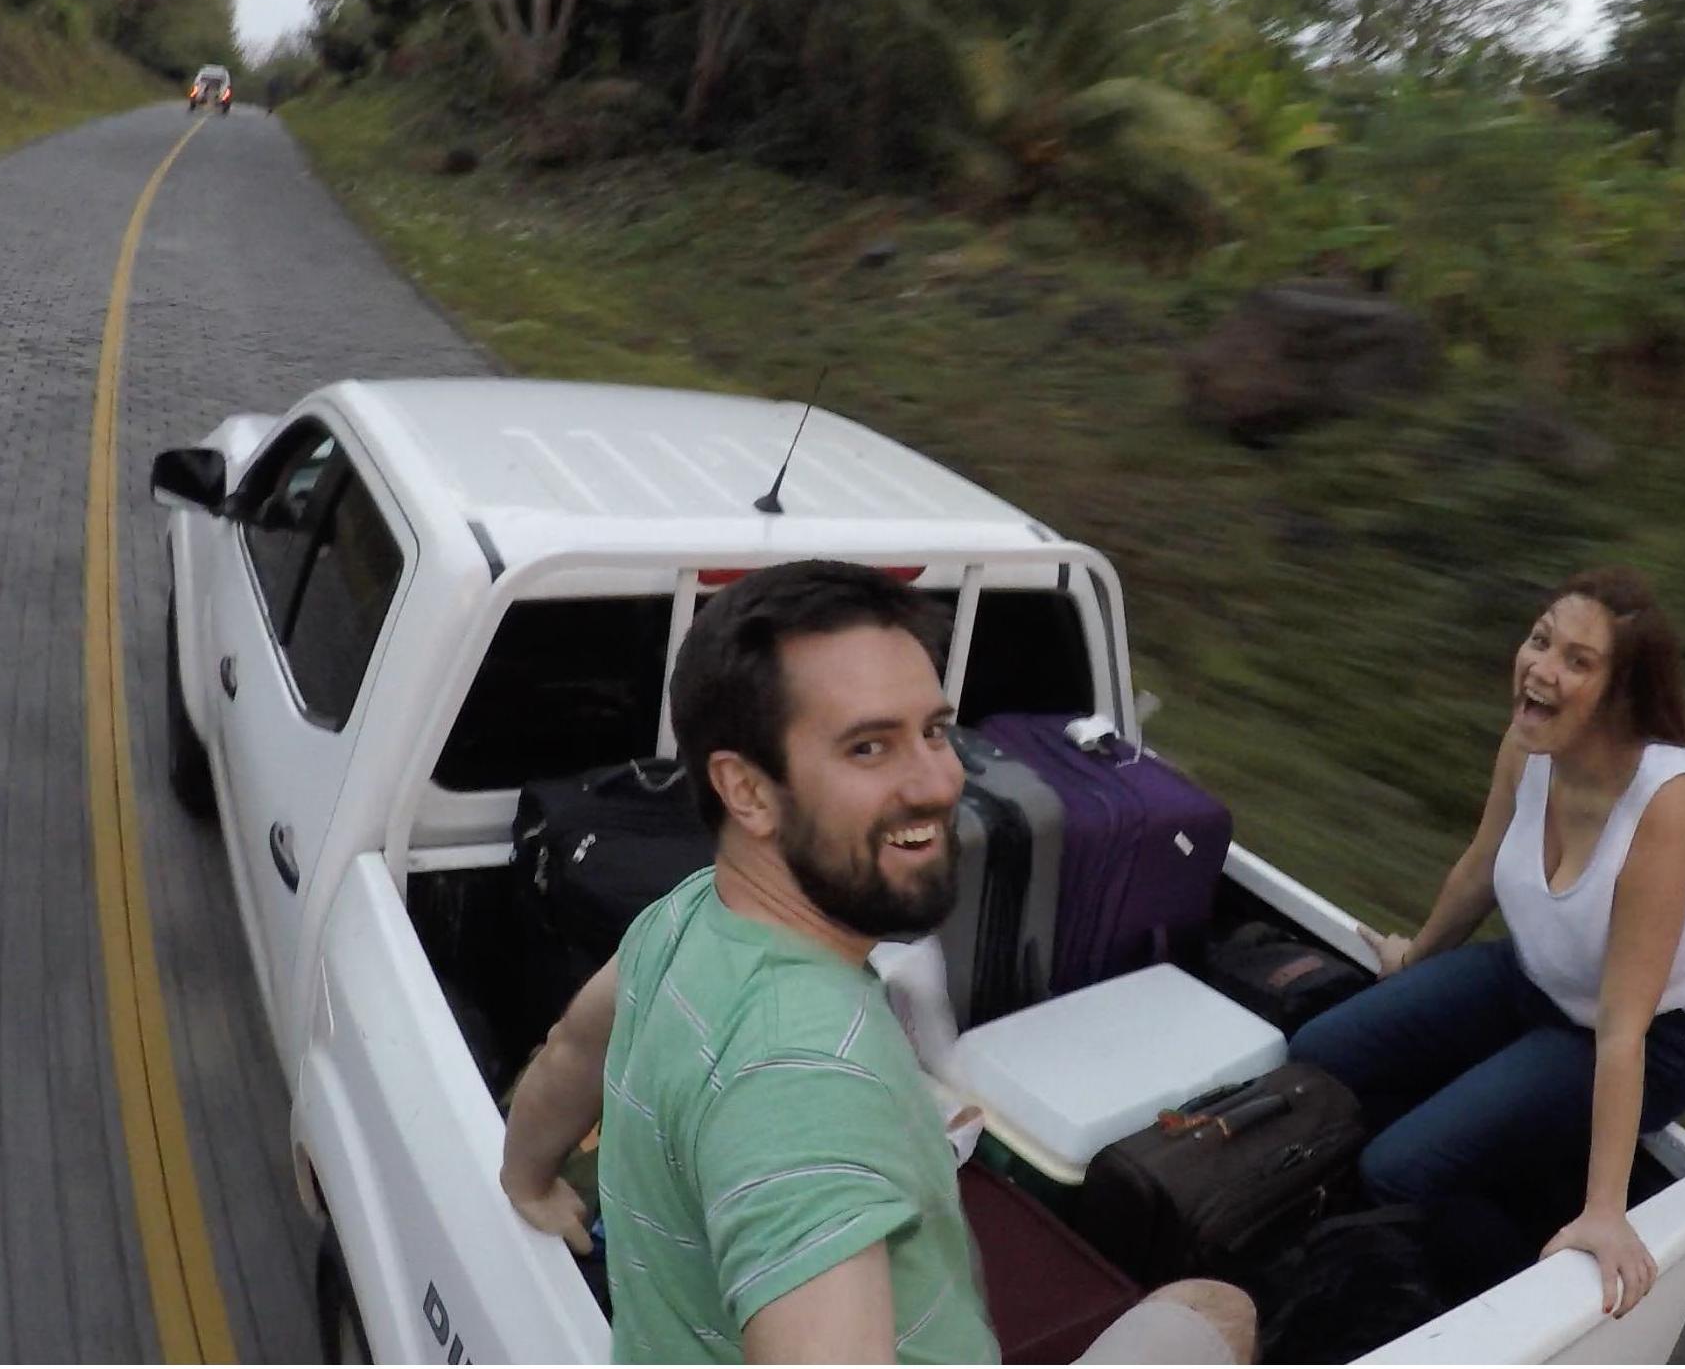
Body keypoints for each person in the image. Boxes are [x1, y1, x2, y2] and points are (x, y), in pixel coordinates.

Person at [500, 559, 1255, 1365]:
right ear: (748, 792)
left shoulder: (686, 913)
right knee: (1218, 1307)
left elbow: (572, 1049)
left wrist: (529, 1181)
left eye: (934, 730)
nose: (940, 781)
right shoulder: (805, 1075)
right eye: (869, 747)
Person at [1289, 567, 1685, 1321]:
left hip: (1644, 1038)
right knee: (1321, 1053)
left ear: (1624, 691)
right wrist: (1413, 961)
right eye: (1541, 640)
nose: (1541, 668)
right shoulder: (1531, 745)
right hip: (1534, 978)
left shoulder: (1671, 807)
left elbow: (1623, 1028)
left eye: (1578, 661)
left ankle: (1501, 1277)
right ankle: (1482, 1154)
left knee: (1397, 1171)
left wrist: (1605, 1209)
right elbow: (1482, 866)